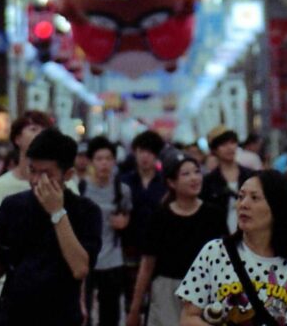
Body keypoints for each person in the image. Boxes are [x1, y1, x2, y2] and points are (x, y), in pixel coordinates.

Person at [178, 169, 287, 326]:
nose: (243, 204)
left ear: (277, 208)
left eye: (255, 198)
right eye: (240, 196)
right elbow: (188, 317)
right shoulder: (215, 252)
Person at [0, 127, 103, 326]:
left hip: (61, 316)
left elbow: (80, 268)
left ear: (68, 174)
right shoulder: (12, 206)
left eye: (46, 174)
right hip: (13, 315)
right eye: (32, 171)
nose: (36, 180)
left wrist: (57, 213)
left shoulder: (86, 211)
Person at [126, 156, 226, 326]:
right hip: (166, 290)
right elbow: (147, 264)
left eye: (197, 172)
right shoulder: (160, 216)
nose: (194, 178)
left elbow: (223, 258)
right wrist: (135, 309)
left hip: (205, 290)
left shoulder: (213, 214)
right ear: (172, 182)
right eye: (186, 174)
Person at [0, 110, 51, 326]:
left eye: (44, 130)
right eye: (33, 129)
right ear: (17, 138)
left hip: (55, 297)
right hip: (10, 296)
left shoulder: (65, 188)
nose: (39, 134)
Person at [81, 136, 132, 326]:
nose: (104, 163)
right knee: (83, 309)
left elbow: (127, 215)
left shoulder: (122, 189)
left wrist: (124, 222)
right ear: (91, 162)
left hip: (113, 257)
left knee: (110, 312)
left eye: (108, 158)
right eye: (99, 159)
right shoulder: (82, 188)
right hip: (86, 258)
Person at [119, 130, 167, 307]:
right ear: (135, 152)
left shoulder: (165, 183)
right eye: (141, 151)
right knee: (131, 298)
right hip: (131, 244)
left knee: (158, 298)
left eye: (150, 152)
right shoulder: (124, 181)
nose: (145, 157)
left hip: (159, 247)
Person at [201, 126, 252, 231]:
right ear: (214, 149)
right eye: (223, 144)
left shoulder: (250, 176)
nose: (230, 148)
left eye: (232, 143)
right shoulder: (208, 181)